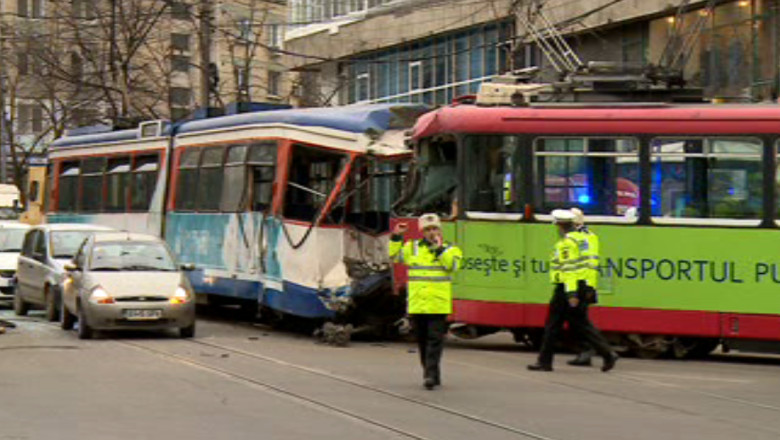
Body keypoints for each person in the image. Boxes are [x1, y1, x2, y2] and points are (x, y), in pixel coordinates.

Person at [527, 209, 618, 372]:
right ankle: (607, 353)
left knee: (553, 325)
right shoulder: (589, 238)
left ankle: (544, 362)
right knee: (582, 324)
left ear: (560, 226)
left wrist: (571, 294)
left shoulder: (566, 243)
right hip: (584, 286)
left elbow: (569, 270)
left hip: (568, 288)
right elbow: (591, 265)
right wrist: (590, 287)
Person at [389, 213, 463, 390]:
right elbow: (394, 256)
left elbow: (452, 266)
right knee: (422, 340)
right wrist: (397, 236)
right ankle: (431, 373)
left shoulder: (450, 249)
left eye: (435, 229)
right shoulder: (412, 247)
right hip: (418, 303)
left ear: (440, 230)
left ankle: (430, 374)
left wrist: (439, 250)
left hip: (438, 304)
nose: (432, 232)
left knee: (434, 339)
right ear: (422, 231)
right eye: (428, 229)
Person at [568, 207, 599, 367]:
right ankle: (587, 351)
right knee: (579, 320)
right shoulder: (588, 236)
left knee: (580, 321)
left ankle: (590, 351)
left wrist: (588, 287)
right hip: (581, 283)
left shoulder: (582, 238)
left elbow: (590, 263)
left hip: (581, 284)